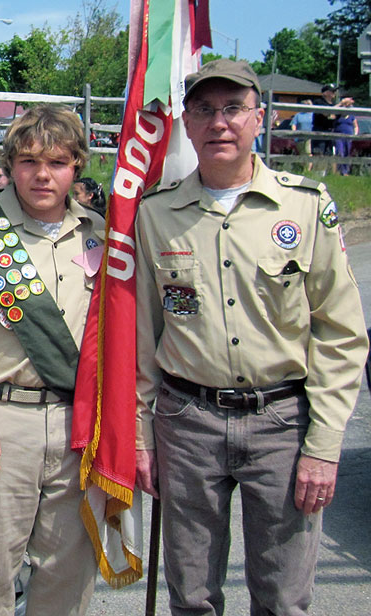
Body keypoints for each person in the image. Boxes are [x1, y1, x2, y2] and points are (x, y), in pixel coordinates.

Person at [134, 59, 368, 615]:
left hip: (282, 425)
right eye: (205, 110)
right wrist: (142, 436)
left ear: (258, 118)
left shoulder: (305, 207)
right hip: (187, 422)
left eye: (234, 109)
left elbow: (341, 335)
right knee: (191, 597)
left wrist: (325, 447)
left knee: (283, 599)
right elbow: (143, 336)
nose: (220, 122)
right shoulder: (156, 215)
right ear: (186, 124)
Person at [0, 106, 103, 616]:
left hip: (76, 426)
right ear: (10, 164)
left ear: (76, 168)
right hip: (0, 422)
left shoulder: (102, 237)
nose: (43, 175)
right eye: (29, 161)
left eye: (58, 162)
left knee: (67, 576)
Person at [291, 99, 315, 170]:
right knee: (302, 153)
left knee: (308, 152)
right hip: (299, 137)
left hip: (310, 137)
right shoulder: (298, 115)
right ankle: (303, 168)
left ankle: (308, 170)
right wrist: (294, 133)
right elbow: (293, 124)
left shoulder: (313, 115)